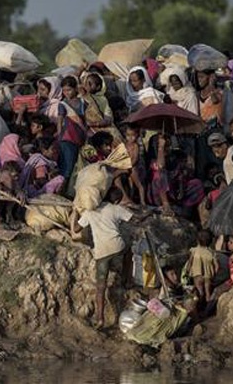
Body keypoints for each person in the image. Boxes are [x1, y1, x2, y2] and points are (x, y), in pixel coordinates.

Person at [70, 187, 147, 329]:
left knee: (101, 287)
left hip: (102, 252)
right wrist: (147, 214)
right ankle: (127, 280)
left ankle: (100, 319)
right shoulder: (116, 209)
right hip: (118, 246)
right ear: (116, 200)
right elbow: (136, 220)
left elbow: (75, 229)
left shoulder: (90, 212)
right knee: (128, 251)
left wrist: (75, 212)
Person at [186, 230, 220, 304]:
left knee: (200, 292)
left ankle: (200, 305)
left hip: (197, 275)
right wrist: (213, 274)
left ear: (198, 241)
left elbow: (190, 262)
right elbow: (217, 266)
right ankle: (208, 306)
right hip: (208, 276)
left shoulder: (194, 250)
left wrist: (188, 271)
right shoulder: (211, 252)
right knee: (208, 293)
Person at [122, 124, 146, 206]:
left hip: (133, 168)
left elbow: (135, 158)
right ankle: (130, 200)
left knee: (139, 185)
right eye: (128, 135)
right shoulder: (125, 145)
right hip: (126, 166)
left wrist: (129, 165)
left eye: (133, 135)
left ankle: (142, 201)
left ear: (137, 136)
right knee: (130, 185)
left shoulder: (135, 146)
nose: (130, 138)